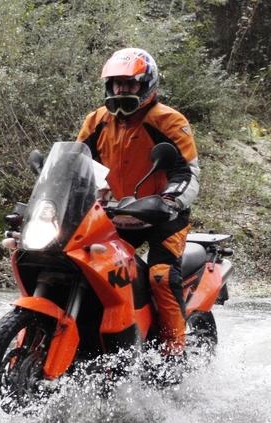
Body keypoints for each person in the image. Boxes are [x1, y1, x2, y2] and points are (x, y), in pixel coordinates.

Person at [76, 47, 200, 363]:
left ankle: (174, 357)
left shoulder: (168, 120)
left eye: (129, 84)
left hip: (162, 214)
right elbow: (76, 166)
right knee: (84, 265)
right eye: (116, 84)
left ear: (146, 84)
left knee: (160, 275)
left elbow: (187, 171)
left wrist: (169, 199)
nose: (121, 90)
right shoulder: (96, 121)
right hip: (117, 211)